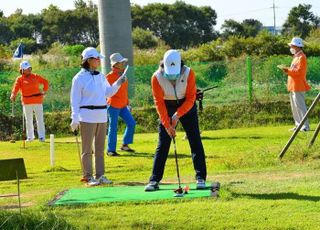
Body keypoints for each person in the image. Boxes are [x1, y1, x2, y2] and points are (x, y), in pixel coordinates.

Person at [145, 49, 207, 191]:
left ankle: (200, 177)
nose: (172, 78)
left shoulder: (189, 73)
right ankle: (154, 180)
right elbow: (159, 103)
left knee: (195, 140)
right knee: (163, 143)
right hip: (167, 106)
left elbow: (191, 98)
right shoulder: (157, 77)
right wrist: (168, 125)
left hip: (187, 105)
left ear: (180, 65)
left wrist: (177, 114)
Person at [70, 47, 126, 186]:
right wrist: (75, 118)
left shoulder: (101, 76)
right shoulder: (79, 78)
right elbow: (75, 99)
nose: (99, 60)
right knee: (87, 149)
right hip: (87, 116)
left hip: (101, 115)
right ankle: (88, 176)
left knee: (100, 149)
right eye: (96, 58)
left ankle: (100, 175)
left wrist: (118, 83)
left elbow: (108, 92)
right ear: (88, 60)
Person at [105, 53, 136, 156]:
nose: (123, 64)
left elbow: (124, 91)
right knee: (113, 127)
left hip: (123, 105)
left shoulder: (123, 76)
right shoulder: (109, 77)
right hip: (113, 105)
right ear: (116, 64)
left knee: (131, 123)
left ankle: (125, 145)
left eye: (123, 62)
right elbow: (110, 92)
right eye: (121, 62)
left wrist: (127, 103)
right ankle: (110, 150)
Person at [10, 60, 49, 142]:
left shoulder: (35, 76)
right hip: (26, 102)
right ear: (22, 70)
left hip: (38, 101)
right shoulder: (19, 79)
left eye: (29, 68)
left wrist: (44, 91)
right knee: (28, 120)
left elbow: (45, 82)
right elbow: (15, 88)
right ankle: (30, 137)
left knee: (40, 119)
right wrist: (13, 94)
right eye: (26, 69)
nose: (29, 70)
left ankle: (42, 137)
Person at [280, 37, 311, 132]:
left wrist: (287, 70)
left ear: (298, 47)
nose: (291, 47)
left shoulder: (302, 57)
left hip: (298, 85)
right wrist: (287, 70)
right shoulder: (296, 57)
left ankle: (305, 126)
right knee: (295, 107)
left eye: (292, 46)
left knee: (300, 106)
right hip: (293, 85)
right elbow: (294, 71)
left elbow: (298, 72)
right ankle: (298, 125)